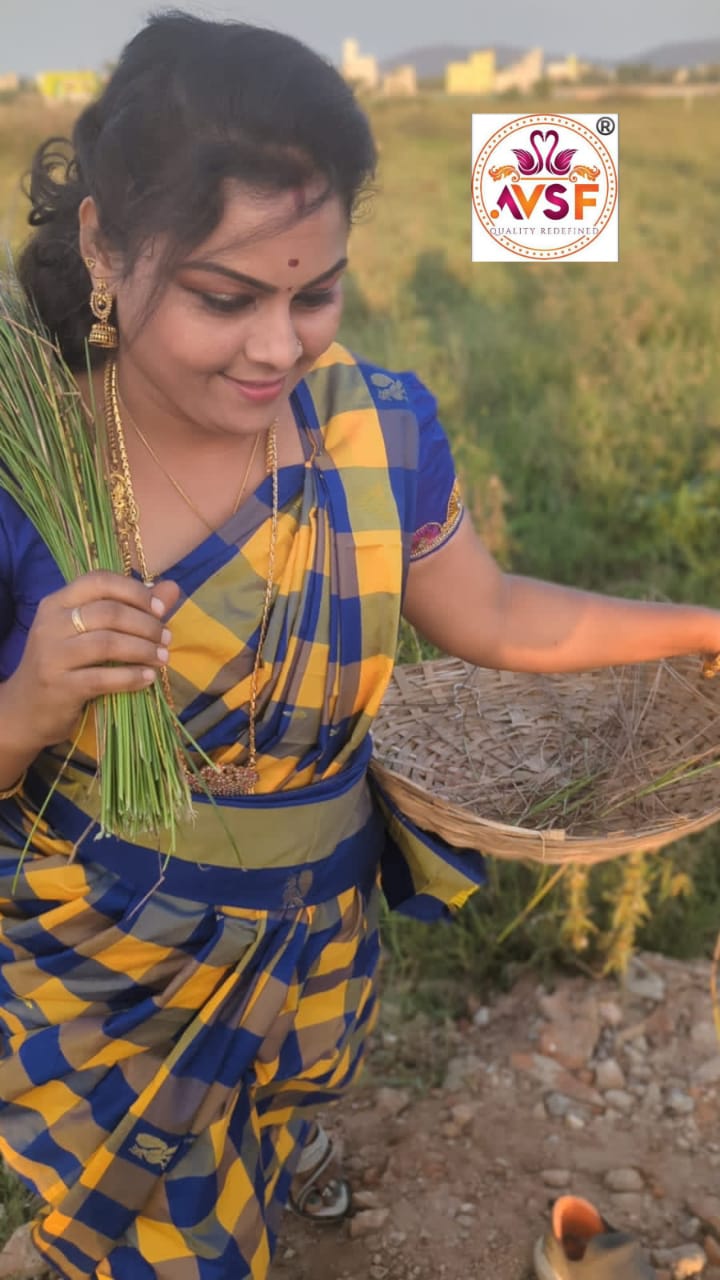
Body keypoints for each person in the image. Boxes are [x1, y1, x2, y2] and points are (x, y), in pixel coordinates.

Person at [0, 12, 718, 1280]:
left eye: (313, 291)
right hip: (111, 972)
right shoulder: (30, 471)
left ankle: (274, 1143)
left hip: (317, 929)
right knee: (176, 1245)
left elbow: (491, 613)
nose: (279, 343)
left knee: (284, 1107)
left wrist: (702, 627)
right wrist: (31, 699)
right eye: (227, 297)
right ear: (106, 244)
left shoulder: (374, 431)